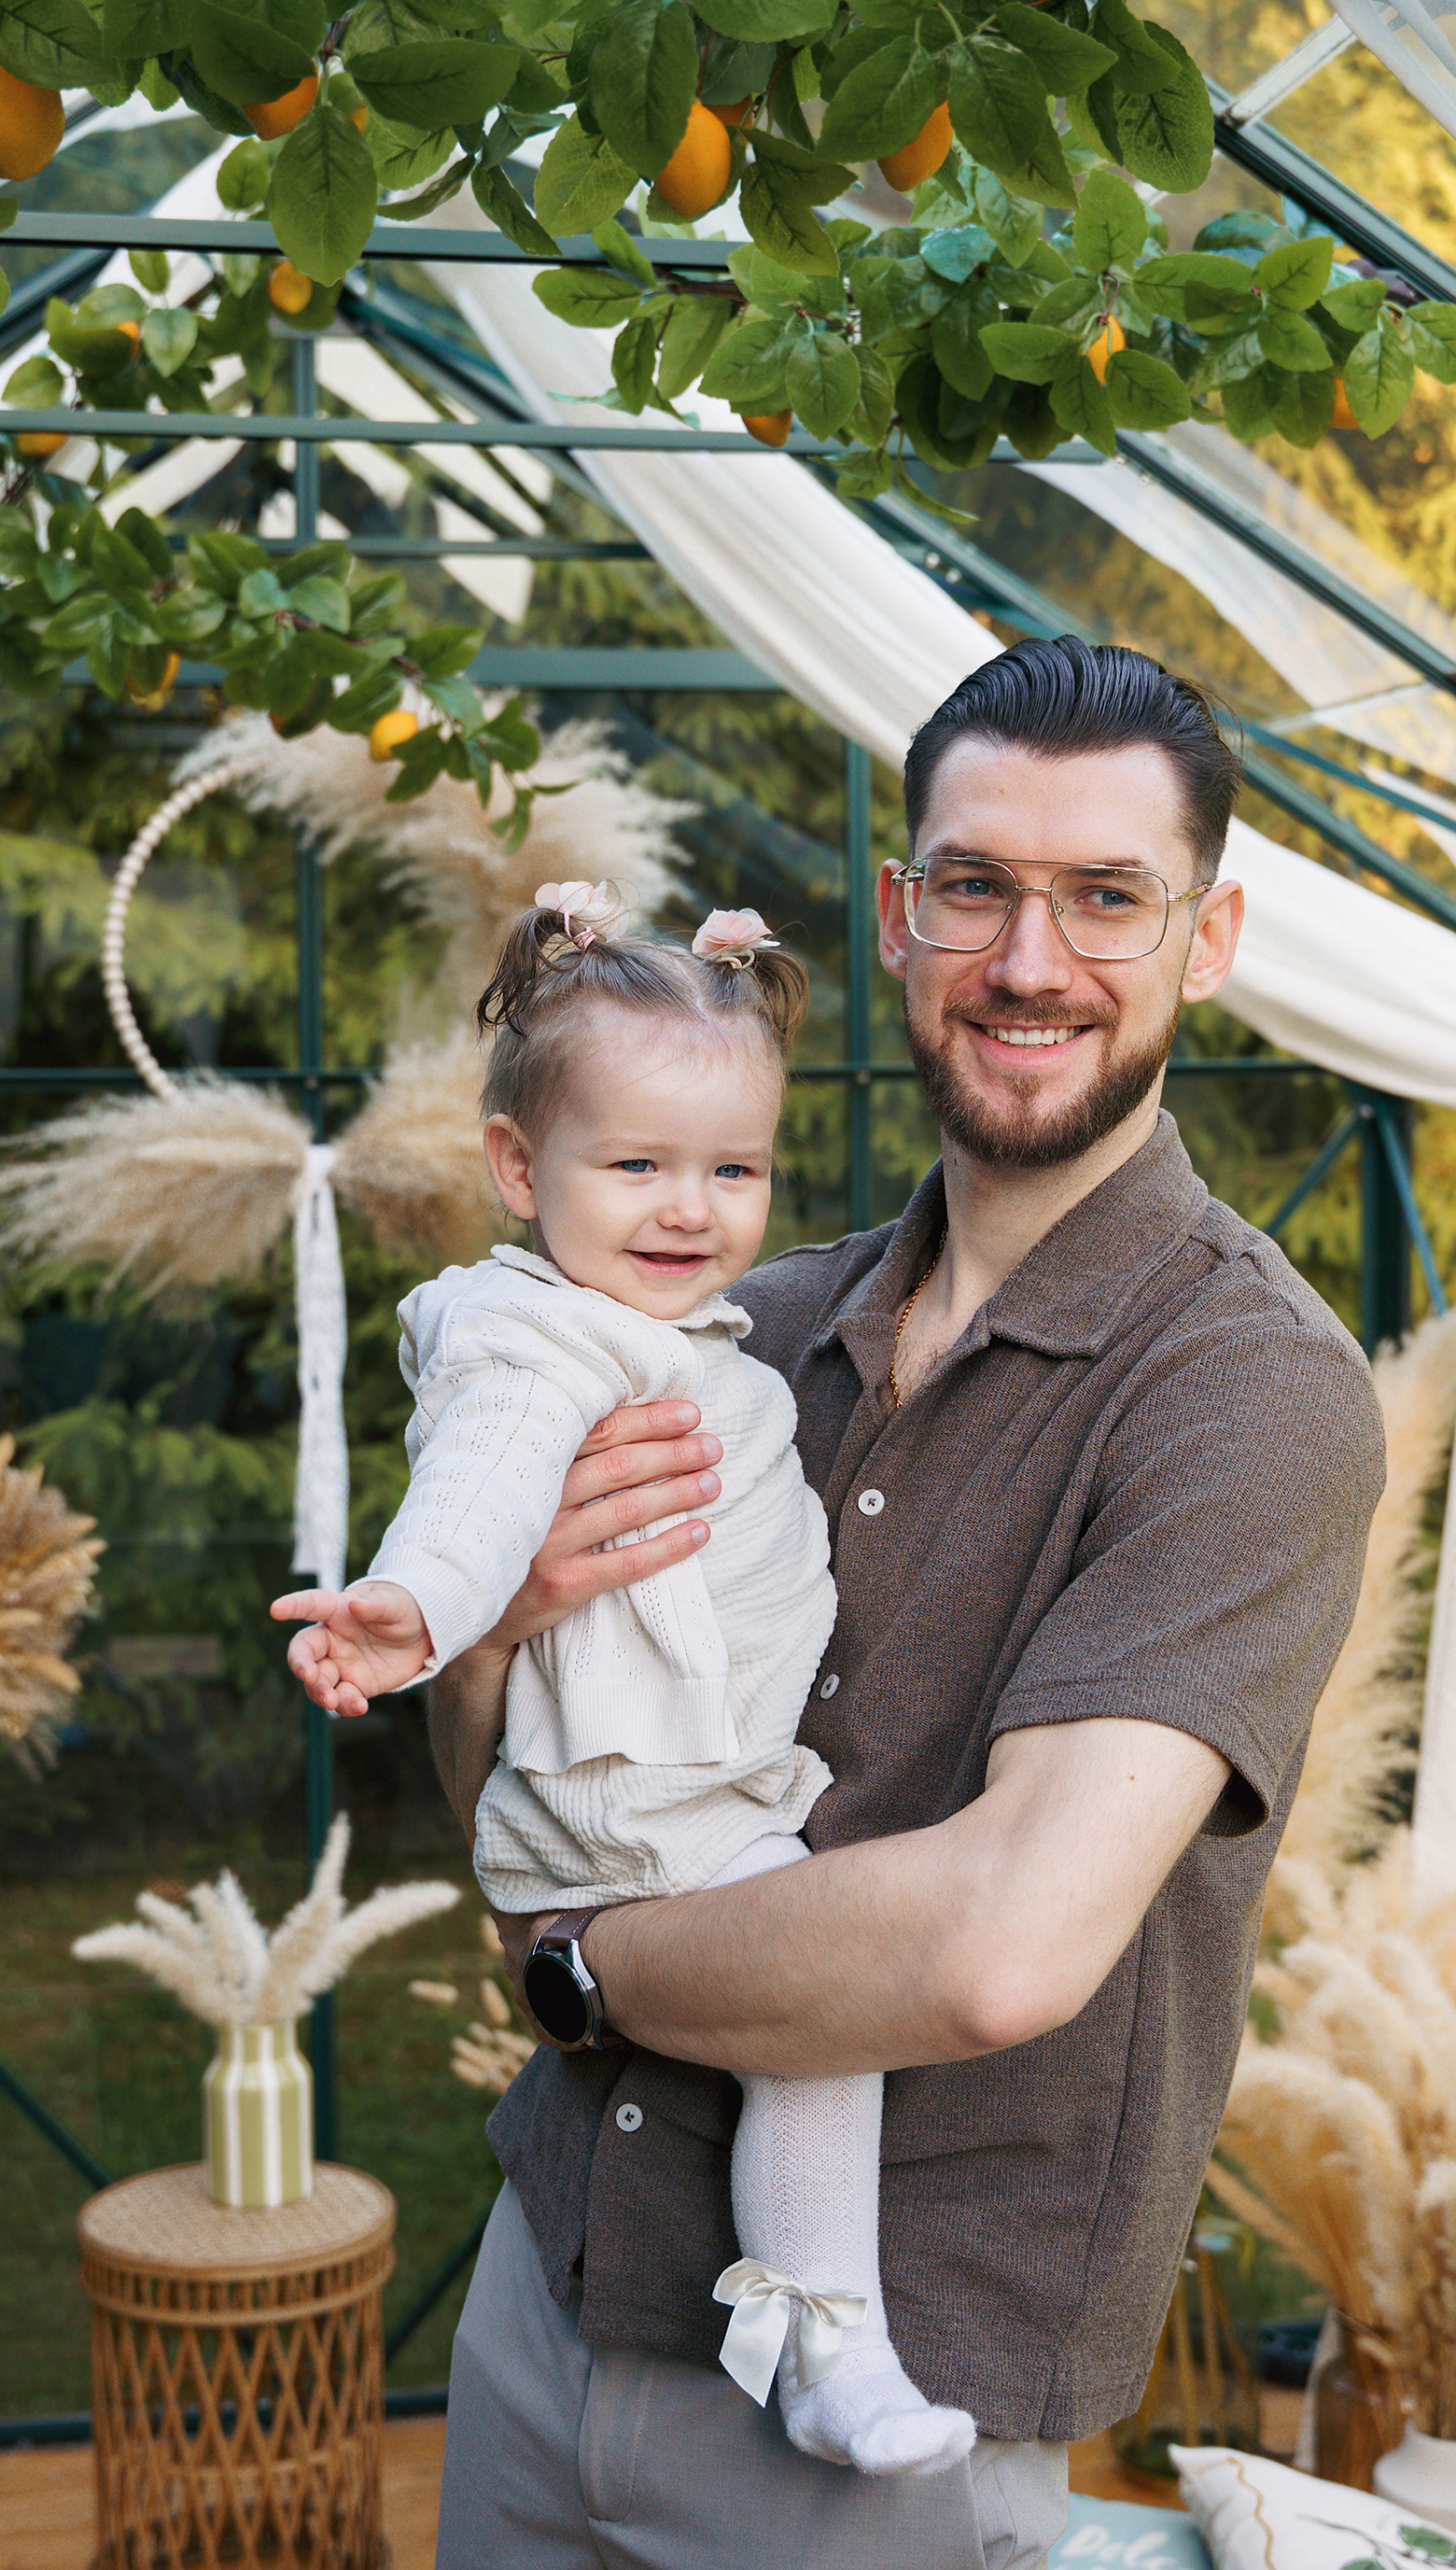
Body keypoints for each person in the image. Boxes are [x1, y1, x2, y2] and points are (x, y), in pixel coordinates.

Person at [391, 637, 1386, 2570]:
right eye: (978, 885)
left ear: (1208, 938)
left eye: (1108, 897)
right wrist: (495, 1631)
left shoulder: (1246, 1390)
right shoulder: (730, 1328)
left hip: (886, 2405)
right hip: (552, 2287)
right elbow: (498, 1793)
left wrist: (577, 1964)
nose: (1030, 959)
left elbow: (999, 1945)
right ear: (897, 913)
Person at [276, 882, 976, 2478]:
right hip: (641, 1798)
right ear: (521, 1170)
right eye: (638, 1166)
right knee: (829, 2009)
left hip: (683, 1781)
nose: (690, 1209)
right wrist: (416, 1609)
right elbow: (481, 1483)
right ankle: (827, 2338)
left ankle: (820, 2333)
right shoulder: (541, 1340)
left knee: (810, 2026)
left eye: (733, 1169)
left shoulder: (683, 1331)